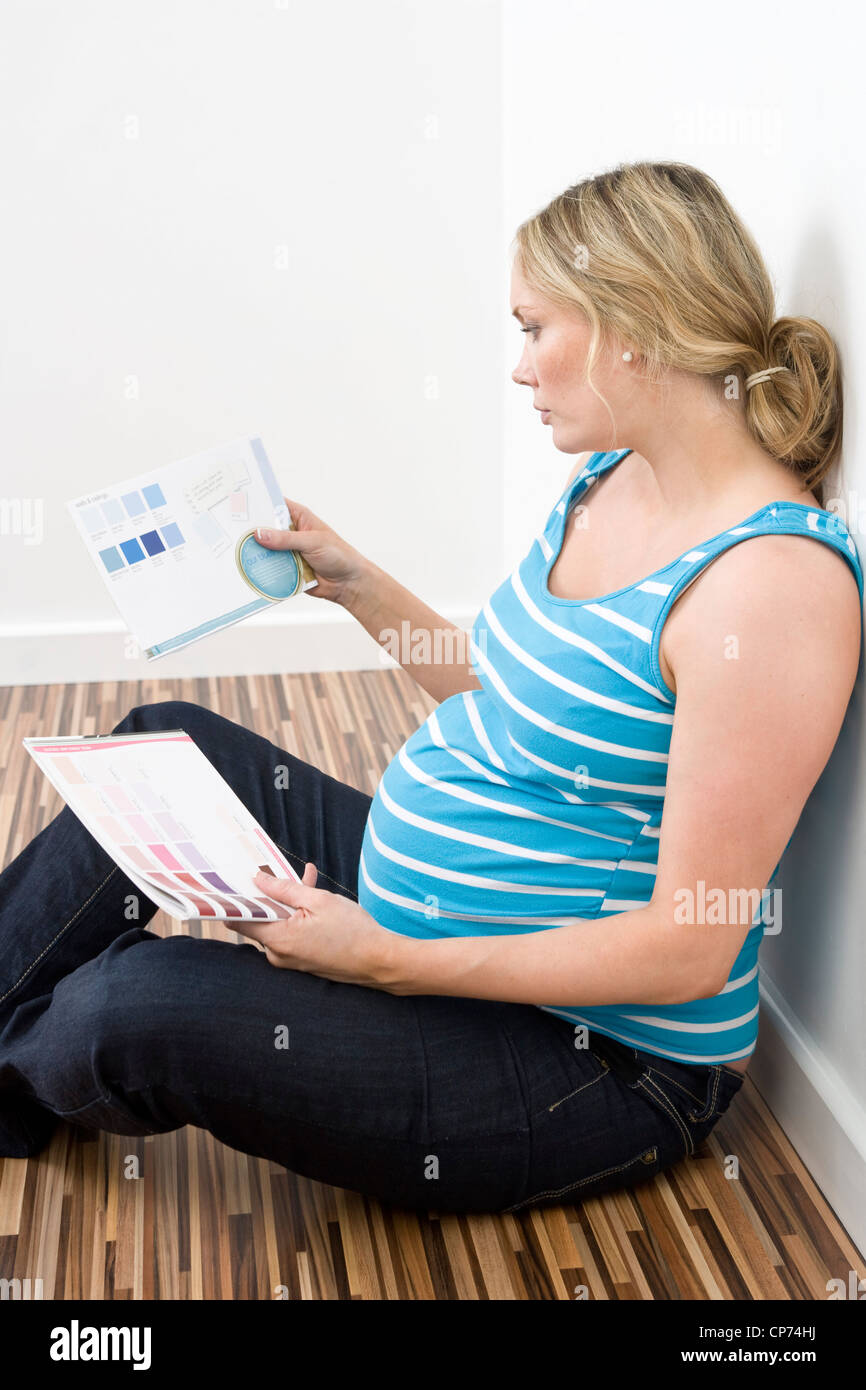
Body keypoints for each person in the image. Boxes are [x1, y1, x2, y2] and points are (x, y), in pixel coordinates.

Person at [0, 161, 861, 1214]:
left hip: (587, 1060)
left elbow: (687, 946)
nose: (518, 367)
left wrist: (389, 960)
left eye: (533, 327)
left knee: (125, 1008)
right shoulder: (611, 476)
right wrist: (358, 585)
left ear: (631, 328)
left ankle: (31, 1046)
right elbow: (513, 696)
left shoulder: (769, 589)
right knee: (159, 745)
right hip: (439, 930)